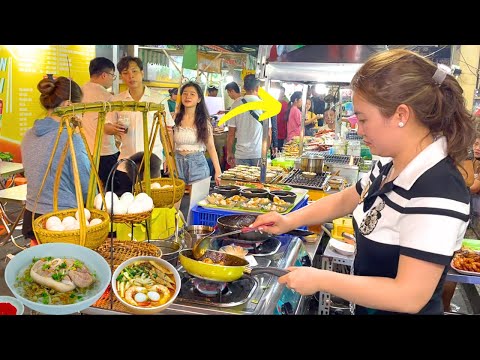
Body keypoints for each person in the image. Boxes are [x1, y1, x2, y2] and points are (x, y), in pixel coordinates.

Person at [251, 49, 475, 315]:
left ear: (401, 115)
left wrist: (321, 279)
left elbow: (410, 295)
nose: (359, 129)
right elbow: (348, 198)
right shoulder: (391, 165)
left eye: (364, 119)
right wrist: (289, 220)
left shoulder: (438, 188)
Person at [21, 77, 90, 242]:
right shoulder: (71, 138)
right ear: (68, 105)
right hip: (64, 221)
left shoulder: (28, 135)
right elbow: (85, 183)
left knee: (40, 265)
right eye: (79, 107)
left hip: (33, 215)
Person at [105, 56, 174, 196]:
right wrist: (114, 129)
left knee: (152, 203)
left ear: (142, 73)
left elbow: (167, 130)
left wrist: (170, 157)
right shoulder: (116, 100)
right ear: (121, 76)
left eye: (134, 71)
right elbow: (106, 127)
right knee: (128, 205)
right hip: (126, 163)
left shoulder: (158, 99)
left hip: (152, 163)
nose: (131, 76)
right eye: (125, 73)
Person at [81, 57, 121, 189]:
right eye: (112, 75)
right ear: (105, 74)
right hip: (105, 152)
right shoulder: (109, 97)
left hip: (84, 151)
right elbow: (112, 126)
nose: (112, 79)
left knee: (89, 189)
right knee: (110, 192)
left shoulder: (78, 93)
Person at [173, 81, 222, 185]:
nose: (187, 97)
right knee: (177, 200)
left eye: (192, 94)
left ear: (199, 99)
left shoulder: (204, 121)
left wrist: (218, 171)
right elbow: (168, 143)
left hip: (197, 165)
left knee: (197, 201)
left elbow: (211, 147)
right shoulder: (175, 118)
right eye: (185, 93)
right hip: (177, 165)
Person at [226, 74, 272, 167]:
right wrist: (265, 152)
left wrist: (229, 152)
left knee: (240, 181)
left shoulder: (235, 105)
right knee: (258, 181)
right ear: (258, 88)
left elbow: (231, 133)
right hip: (258, 154)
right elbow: (269, 134)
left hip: (241, 155)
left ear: (243, 87)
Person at [276, 86, 289, 151]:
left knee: (280, 150)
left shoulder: (286, 104)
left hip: (282, 131)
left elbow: (287, 118)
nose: (281, 94)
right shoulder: (271, 103)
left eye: (282, 93)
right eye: (279, 92)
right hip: (273, 131)